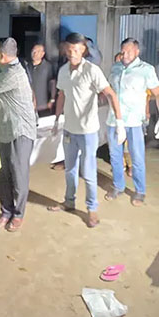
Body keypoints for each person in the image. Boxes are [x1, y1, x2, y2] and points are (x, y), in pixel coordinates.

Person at [48, 32, 124, 228]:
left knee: (89, 173)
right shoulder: (63, 71)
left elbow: (111, 94)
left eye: (76, 49)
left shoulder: (92, 70)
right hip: (69, 130)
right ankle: (69, 202)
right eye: (69, 49)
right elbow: (62, 95)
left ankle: (92, 209)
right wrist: (57, 119)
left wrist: (119, 121)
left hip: (88, 132)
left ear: (83, 50)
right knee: (70, 170)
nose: (72, 53)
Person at [104, 38, 159, 206]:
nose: (125, 55)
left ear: (137, 52)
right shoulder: (116, 68)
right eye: (123, 51)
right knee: (115, 156)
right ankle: (118, 186)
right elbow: (109, 92)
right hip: (114, 120)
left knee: (137, 157)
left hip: (134, 122)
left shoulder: (146, 70)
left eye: (129, 52)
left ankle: (140, 191)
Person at [0, 37, 36, 232]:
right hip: (4, 131)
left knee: (18, 175)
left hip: (20, 132)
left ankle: (18, 214)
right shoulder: (5, 71)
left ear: (2, 55)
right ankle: (6, 211)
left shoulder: (13, 74)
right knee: (3, 175)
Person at [26, 43, 57, 118]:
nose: (35, 53)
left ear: (43, 54)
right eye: (33, 51)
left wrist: (52, 99)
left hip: (43, 105)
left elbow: (52, 84)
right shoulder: (27, 66)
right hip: (28, 105)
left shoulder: (48, 66)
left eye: (38, 51)